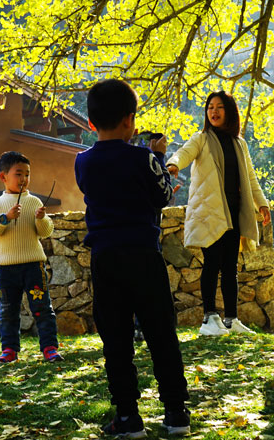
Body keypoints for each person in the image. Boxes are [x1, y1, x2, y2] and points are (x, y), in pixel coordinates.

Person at [75, 79, 190, 438]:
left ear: (90, 122)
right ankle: (176, 413)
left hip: (106, 258)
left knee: (116, 340)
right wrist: (160, 161)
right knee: (161, 334)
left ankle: (127, 416)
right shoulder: (145, 158)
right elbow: (162, 197)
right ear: (130, 120)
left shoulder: (82, 162)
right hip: (144, 256)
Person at [166, 91, 271, 336]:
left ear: (230, 111)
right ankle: (209, 318)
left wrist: (262, 204)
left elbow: (250, 177)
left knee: (230, 266)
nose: (213, 111)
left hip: (234, 212)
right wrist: (173, 164)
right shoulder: (201, 139)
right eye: (210, 107)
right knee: (212, 263)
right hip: (209, 212)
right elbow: (184, 153)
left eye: (219, 107)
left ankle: (231, 319)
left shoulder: (239, 144)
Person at [0, 151, 62, 364]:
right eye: (18, 174)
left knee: (42, 308)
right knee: (8, 311)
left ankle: (50, 348)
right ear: (3, 176)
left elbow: (45, 232)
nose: (24, 179)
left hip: (33, 266)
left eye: (27, 174)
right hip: (6, 268)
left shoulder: (34, 202)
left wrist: (41, 218)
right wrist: (6, 218)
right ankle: (9, 350)